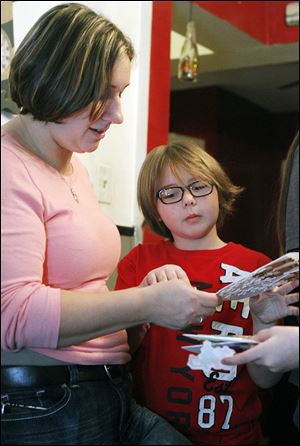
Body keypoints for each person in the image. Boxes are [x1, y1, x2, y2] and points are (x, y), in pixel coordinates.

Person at [1, 4, 222, 445]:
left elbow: (82, 288)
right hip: (50, 404)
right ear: (59, 80)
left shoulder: (72, 164)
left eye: (121, 93)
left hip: (107, 389)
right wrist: (144, 303)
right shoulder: (8, 165)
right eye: (105, 93)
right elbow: (14, 313)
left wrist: (147, 296)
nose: (118, 114)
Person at [115, 141, 299, 445]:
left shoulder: (257, 267)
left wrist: (264, 322)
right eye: (170, 193)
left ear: (219, 192)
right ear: (156, 211)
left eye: (198, 186)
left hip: (236, 436)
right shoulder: (139, 262)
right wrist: (143, 303)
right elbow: (121, 356)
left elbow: (265, 380)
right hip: (152, 433)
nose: (188, 200)